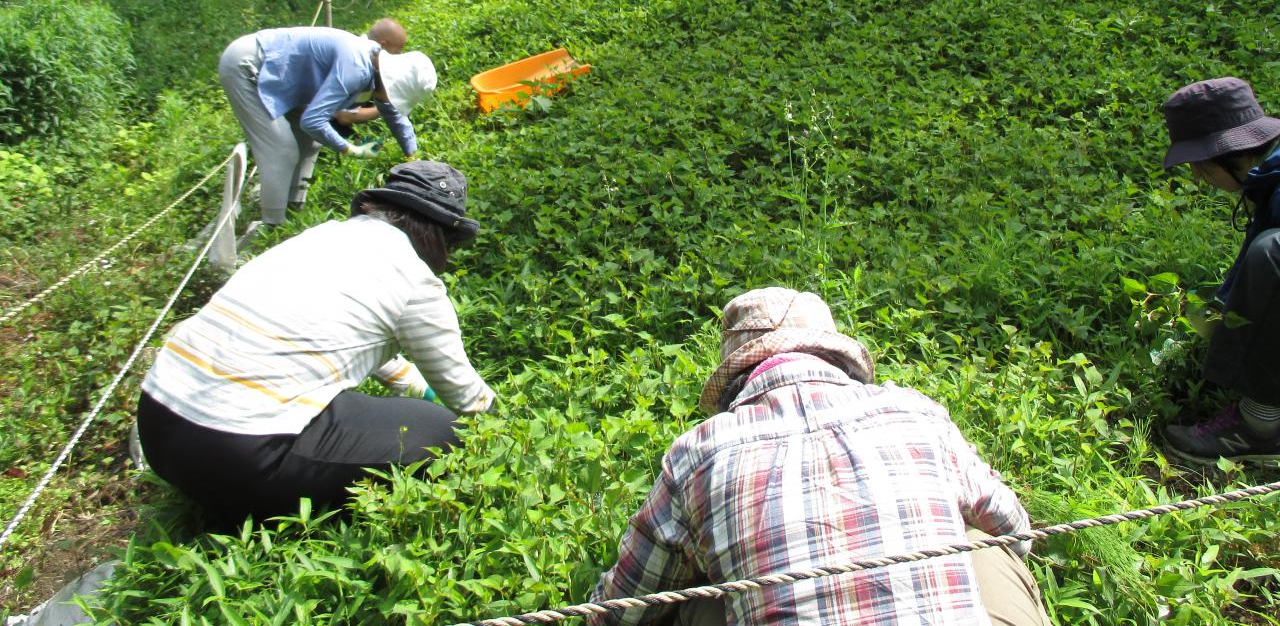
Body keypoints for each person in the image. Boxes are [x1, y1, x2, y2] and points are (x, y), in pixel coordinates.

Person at [589, 288, 1050, 626]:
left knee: (694, 598)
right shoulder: (916, 411)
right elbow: (1014, 529)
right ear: (834, 356)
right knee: (983, 543)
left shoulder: (699, 453)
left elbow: (621, 609)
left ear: (737, 379)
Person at [137, 161, 496, 523]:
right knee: (441, 430)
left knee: (362, 406)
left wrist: (418, 387)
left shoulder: (321, 239)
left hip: (157, 425)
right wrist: (502, 428)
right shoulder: (416, 280)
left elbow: (334, 333)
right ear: (439, 235)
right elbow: (465, 395)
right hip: (236, 454)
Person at [1160, 76, 1280, 464]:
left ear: (1230, 153)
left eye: (1200, 165)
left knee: (1273, 253)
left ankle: (1259, 426)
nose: (1198, 176)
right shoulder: (1270, 177)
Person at [218, 25, 436, 225]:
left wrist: (413, 159)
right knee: (281, 149)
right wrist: (350, 149)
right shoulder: (356, 68)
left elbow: (394, 115)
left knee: (310, 142)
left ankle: (293, 209)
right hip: (249, 66)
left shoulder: (376, 63)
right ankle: (272, 225)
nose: (389, 101)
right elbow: (312, 121)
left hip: (284, 76)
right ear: (389, 82)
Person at [333, 19, 408, 138]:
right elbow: (343, 116)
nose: (397, 57)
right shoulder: (357, 64)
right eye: (397, 52)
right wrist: (388, 108)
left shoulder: (363, 51)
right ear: (382, 45)